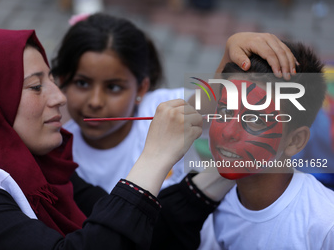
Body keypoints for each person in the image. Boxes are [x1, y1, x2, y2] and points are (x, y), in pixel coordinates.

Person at [51, 13, 298, 249]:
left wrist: (229, 55)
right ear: (61, 81)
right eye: (82, 83)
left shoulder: (162, 110)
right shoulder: (60, 151)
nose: (95, 101)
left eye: (114, 87)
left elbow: (205, 104)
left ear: (141, 88)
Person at [0, 28, 204, 249]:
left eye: (53, 81)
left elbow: (145, 229)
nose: (59, 97)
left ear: (142, 88)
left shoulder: (49, 166)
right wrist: (154, 158)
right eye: (36, 86)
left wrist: (214, 180)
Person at [208, 41, 334, 249]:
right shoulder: (205, 204)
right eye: (224, 112)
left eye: (255, 120)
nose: (228, 132)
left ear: (295, 141)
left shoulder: (325, 224)